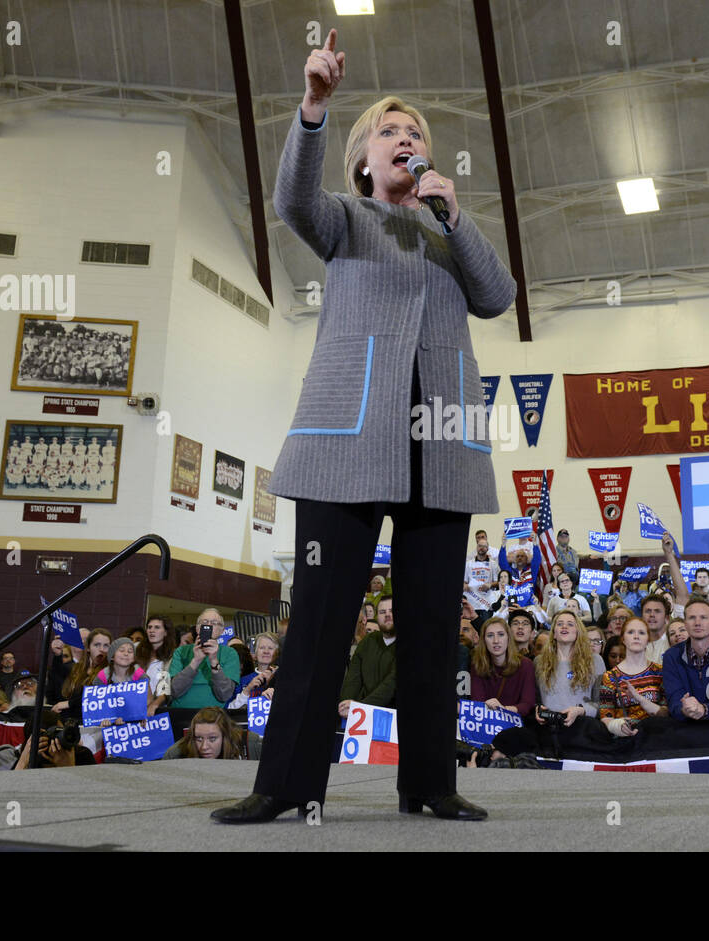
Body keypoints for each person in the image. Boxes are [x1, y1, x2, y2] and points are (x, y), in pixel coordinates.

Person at [214, 30, 514, 827]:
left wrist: (455, 214)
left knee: (427, 624)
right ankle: (286, 782)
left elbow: (498, 295)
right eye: (390, 132)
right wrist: (314, 106)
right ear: (363, 161)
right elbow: (290, 201)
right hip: (347, 445)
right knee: (317, 620)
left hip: (440, 447)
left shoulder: (451, 236)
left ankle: (428, 782)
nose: (407, 140)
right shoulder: (342, 217)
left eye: (415, 133)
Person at [489, 612, 604, 760]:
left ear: (578, 632)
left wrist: (580, 710)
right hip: (547, 731)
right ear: (554, 633)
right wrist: (537, 710)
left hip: (581, 729)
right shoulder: (539, 662)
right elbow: (534, 701)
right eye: (559, 623)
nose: (564, 626)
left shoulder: (595, 660)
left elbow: (603, 704)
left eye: (570, 624)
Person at [661, 598, 709, 722]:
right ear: (685, 624)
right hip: (684, 729)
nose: (697, 623)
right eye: (692, 618)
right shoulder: (670, 657)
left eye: (703, 617)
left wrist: (703, 710)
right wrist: (684, 709)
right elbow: (674, 701)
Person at [170, 609, 241, 710]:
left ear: (222, 631)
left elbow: (224, 695)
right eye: (204, 622)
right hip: (180, 712)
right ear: (197, 628)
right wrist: (195, 661)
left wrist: (214, 661)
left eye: (214, 623)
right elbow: (174, 691)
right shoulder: (181, 651)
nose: (209, 626)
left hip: (213, 715)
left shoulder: (230, 653)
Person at [339, 596, 397, 715]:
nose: (387, 615)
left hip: (392, 714)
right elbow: (353, 677)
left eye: (391, 611)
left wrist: (360, 707)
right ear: (377, 616)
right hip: (361, 713)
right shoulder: (368, 641)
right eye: (382, 612)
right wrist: (346, 702)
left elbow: (391, 684)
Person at [468, 618, 536, 717]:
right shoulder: (477, 664)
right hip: (487, 721)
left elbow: (527, 705)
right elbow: (478, 702)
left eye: (501, 634)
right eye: (490, 635)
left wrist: (503, 709)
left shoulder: (526, 665)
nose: (496, 641)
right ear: (483, 640)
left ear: (508, 637)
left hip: (515, 723)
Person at [164, 707, 262, 760]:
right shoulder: (175, 754)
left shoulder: (251, 744)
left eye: (212, 739)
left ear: (225, 736)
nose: (204, 747)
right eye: (199, 739)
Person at [229, 631, 281, 708]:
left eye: (270, 648)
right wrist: (247, 690)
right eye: (262, 648)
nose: (266, 651)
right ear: (255, 653)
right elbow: (231, 709)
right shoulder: (243, 681)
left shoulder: (284, 677)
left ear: (277, 653)